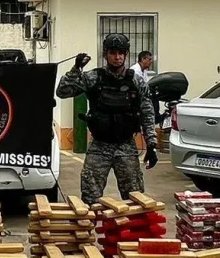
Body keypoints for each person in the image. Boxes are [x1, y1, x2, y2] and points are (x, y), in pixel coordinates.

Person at [57, 33, 158, 206]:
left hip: (126, 146)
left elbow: (147, 113)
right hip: (99, 146)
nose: (117, 57)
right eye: (113, 53)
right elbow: (63, 91)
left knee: (135, 198)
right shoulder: (93, 78)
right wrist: (76, 70)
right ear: (105, 54)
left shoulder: (136, 81)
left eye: (121, 53)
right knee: (90, 198)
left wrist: (152, 144)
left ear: (126, 54)